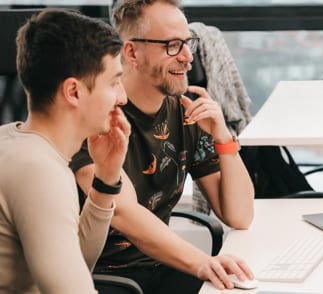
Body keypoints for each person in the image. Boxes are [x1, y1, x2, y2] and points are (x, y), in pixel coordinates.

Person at [71, 0, 255, 293]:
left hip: (160, 267)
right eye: (172, 45)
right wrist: (201, 262)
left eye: (188, 43)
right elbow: (124, 212)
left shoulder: (184, 113)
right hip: (100, 279)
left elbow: (239, 215)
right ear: (131, 52)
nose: (187, 58)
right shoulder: (95, 118)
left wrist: (224, 139)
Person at [0, 8, 130, 293]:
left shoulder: (18, 144)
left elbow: (70, 265)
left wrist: (106, 181)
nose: (122, 97)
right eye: (114, 82)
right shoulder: (38, 171)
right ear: (73, 92)